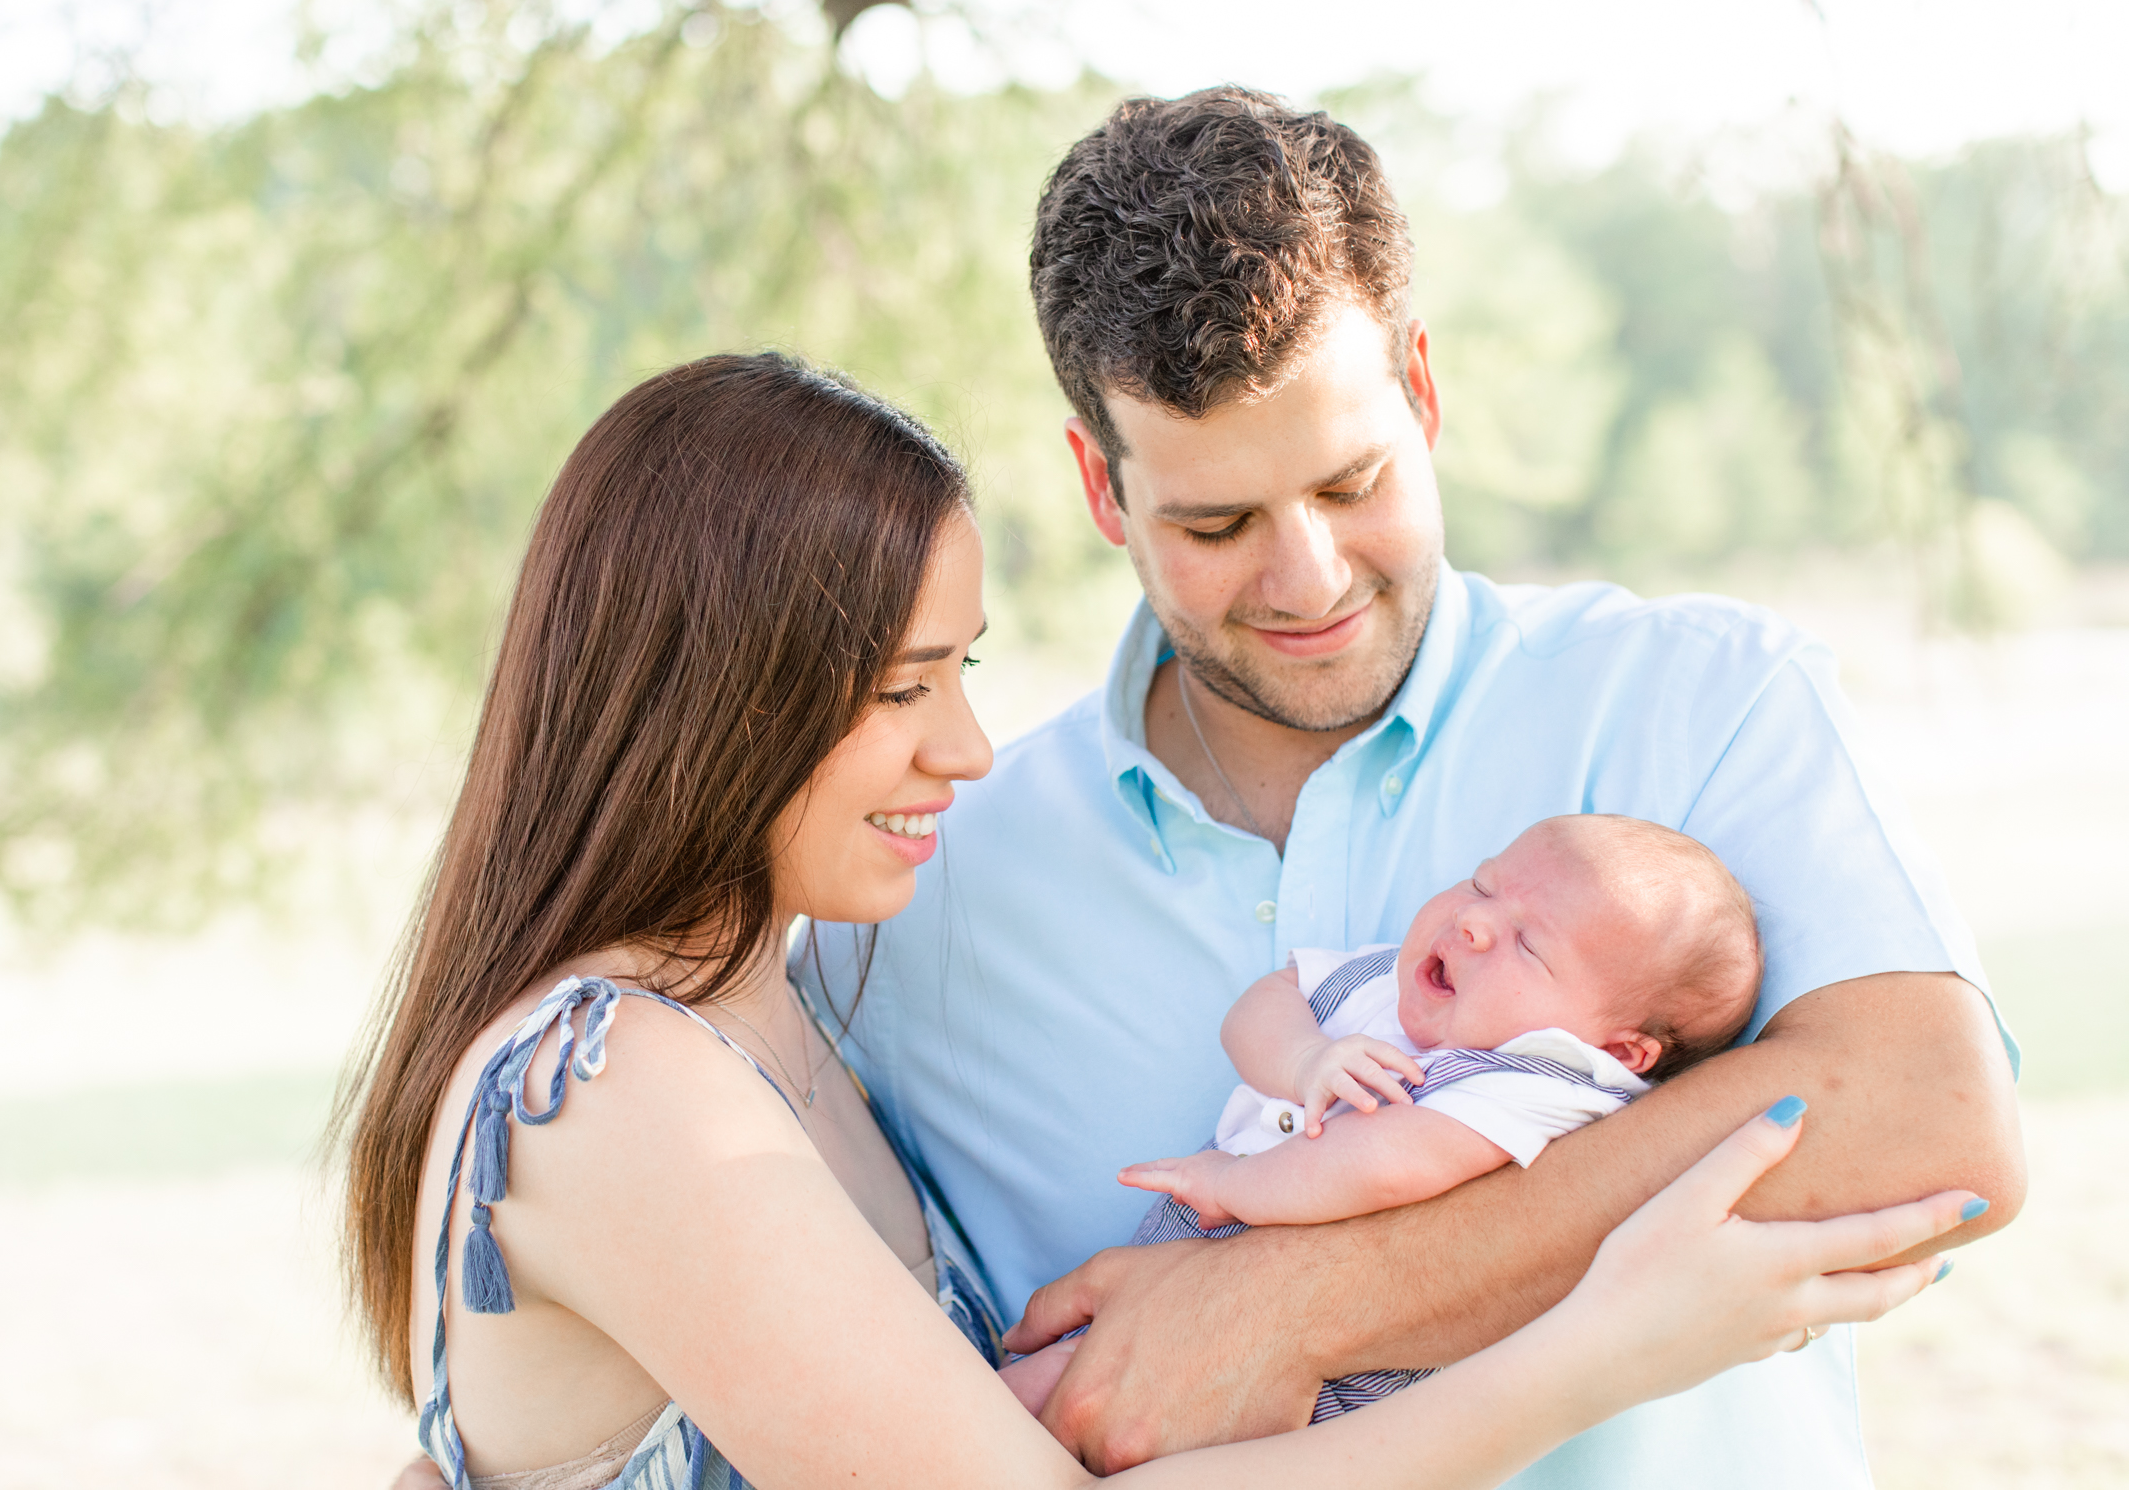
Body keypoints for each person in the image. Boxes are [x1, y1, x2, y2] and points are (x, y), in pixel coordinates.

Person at [342, 352, 1972, 1490]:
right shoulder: (619, 1079)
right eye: (903, 685)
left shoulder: (777, 1010)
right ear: (711, 702)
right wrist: (1604, 1343)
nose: (966, 747)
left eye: (963, 671)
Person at [804, 88, 2025, 1484]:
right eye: (1216, 521)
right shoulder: (919, 893)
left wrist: (1301, 1303)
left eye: (1352, 480)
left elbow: (1936, 1124)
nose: (1308, 576)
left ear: (1424, 390)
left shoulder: (1702, 699)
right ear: (1101, 489)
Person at [1002, 813, 1764, 1417]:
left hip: (1321, 1353)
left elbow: (1392, 1164)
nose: (1472, 922)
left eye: (1529, 944)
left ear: (1620, 1049)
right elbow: (1265, 1004)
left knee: (1056, 1401)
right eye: (1482, 883)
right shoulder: (1390, 979)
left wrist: (1236, 1185)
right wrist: (1305, 1058)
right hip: (1199, 1247)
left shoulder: (1552, 1077)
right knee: (1046, 1386)